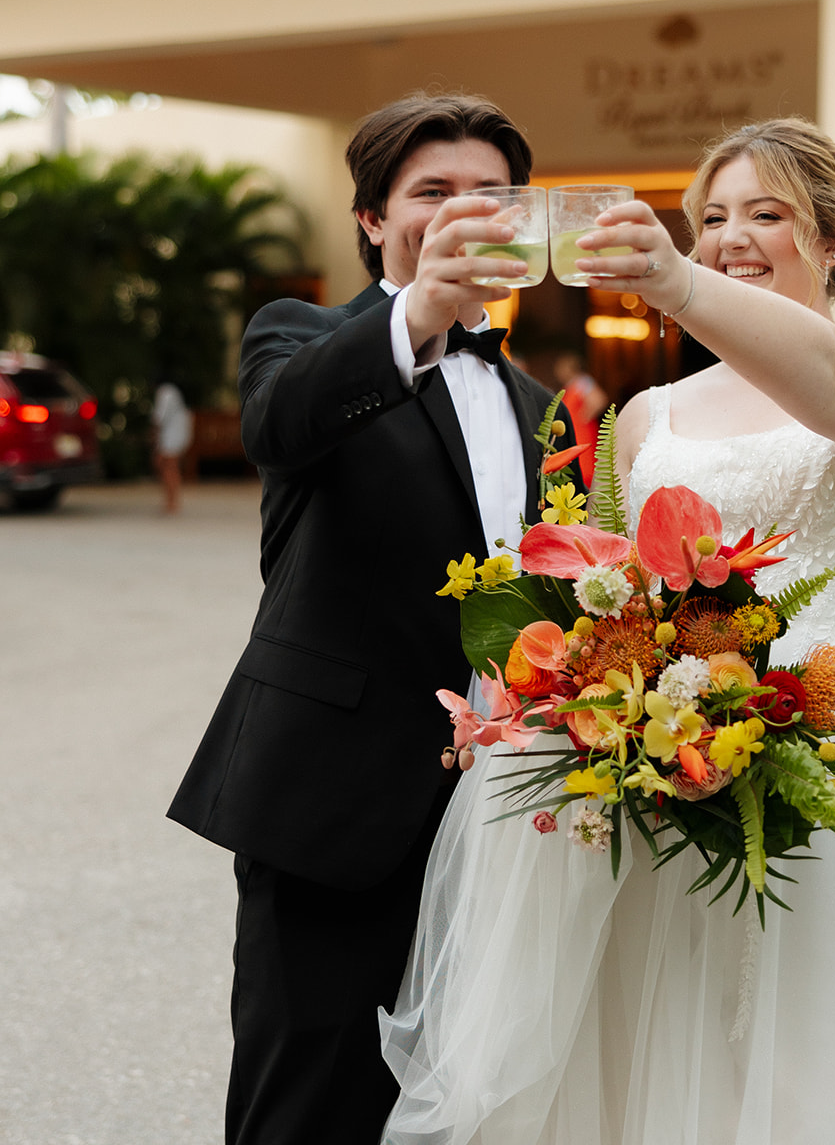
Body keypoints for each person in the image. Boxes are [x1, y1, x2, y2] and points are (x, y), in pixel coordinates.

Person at [380, 117, 835, 1145]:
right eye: (709, 217)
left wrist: (676, 285)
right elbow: (608, 590)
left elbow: (826, 387)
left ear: (832, 239)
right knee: (654, 1066)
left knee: (821, 1068)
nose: (728, 235)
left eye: (765, 213)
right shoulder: (649, 418)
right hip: (667, 780)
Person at [167, 92, 577, 1145]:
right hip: (330, 797)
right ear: (370, 221)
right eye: (431, 190)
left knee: (459, 1094)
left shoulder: (541, 406)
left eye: (488, 193)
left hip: (497, 817)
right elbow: (276, 423)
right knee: (304, 1098)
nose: (461, 210)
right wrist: (421, 314)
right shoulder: (303, 337)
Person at [552, 349, 607, 484]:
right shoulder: (571, 385)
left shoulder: (583, 382)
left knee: (586, 468)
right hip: (574, 434)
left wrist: (584, 416)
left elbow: (599, 399)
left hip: (582, 433)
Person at [151, 379, 193, 513]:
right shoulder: (175, 392)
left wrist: (154, 436)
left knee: (169, 466)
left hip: (171, 435)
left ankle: (172, 501)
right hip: (175, 433)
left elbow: (159, 416)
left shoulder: (166, 391)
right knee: (169, 466)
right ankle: (171, 500)